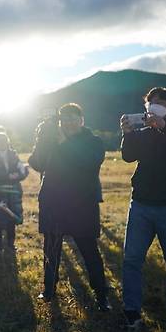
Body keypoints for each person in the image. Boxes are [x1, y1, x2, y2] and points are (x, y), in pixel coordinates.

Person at [120, 87, 166, 328]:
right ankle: (131, 310)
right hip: (141, 205)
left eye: (158, 103)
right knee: (132, 260)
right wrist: (127, 133)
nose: (152, 108)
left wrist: (165, 127)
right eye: (149, 104)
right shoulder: (143, 134)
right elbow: (128, 156)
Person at [28, 103, 110, 311]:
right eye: (65, 119)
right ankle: (48, 291)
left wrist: (63, 144)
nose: (69, 122)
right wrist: (42, 139)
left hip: (82, 204)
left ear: (82, 120)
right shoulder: (53, 138)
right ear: (60, 121)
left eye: (74, 118)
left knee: (89, 250)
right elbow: (37, 163)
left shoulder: (93, 142)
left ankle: (101, 295)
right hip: (53, 202)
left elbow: (88, 163)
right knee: (51, 250)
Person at [0, 132, 28, 251]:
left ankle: (10, 244)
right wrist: (7, 176)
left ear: (8, 142)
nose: (2, 143)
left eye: (4, 140)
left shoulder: (14, 155)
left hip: (13, 192)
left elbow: (22, 170)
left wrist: (19, 175)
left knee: (11, 218)